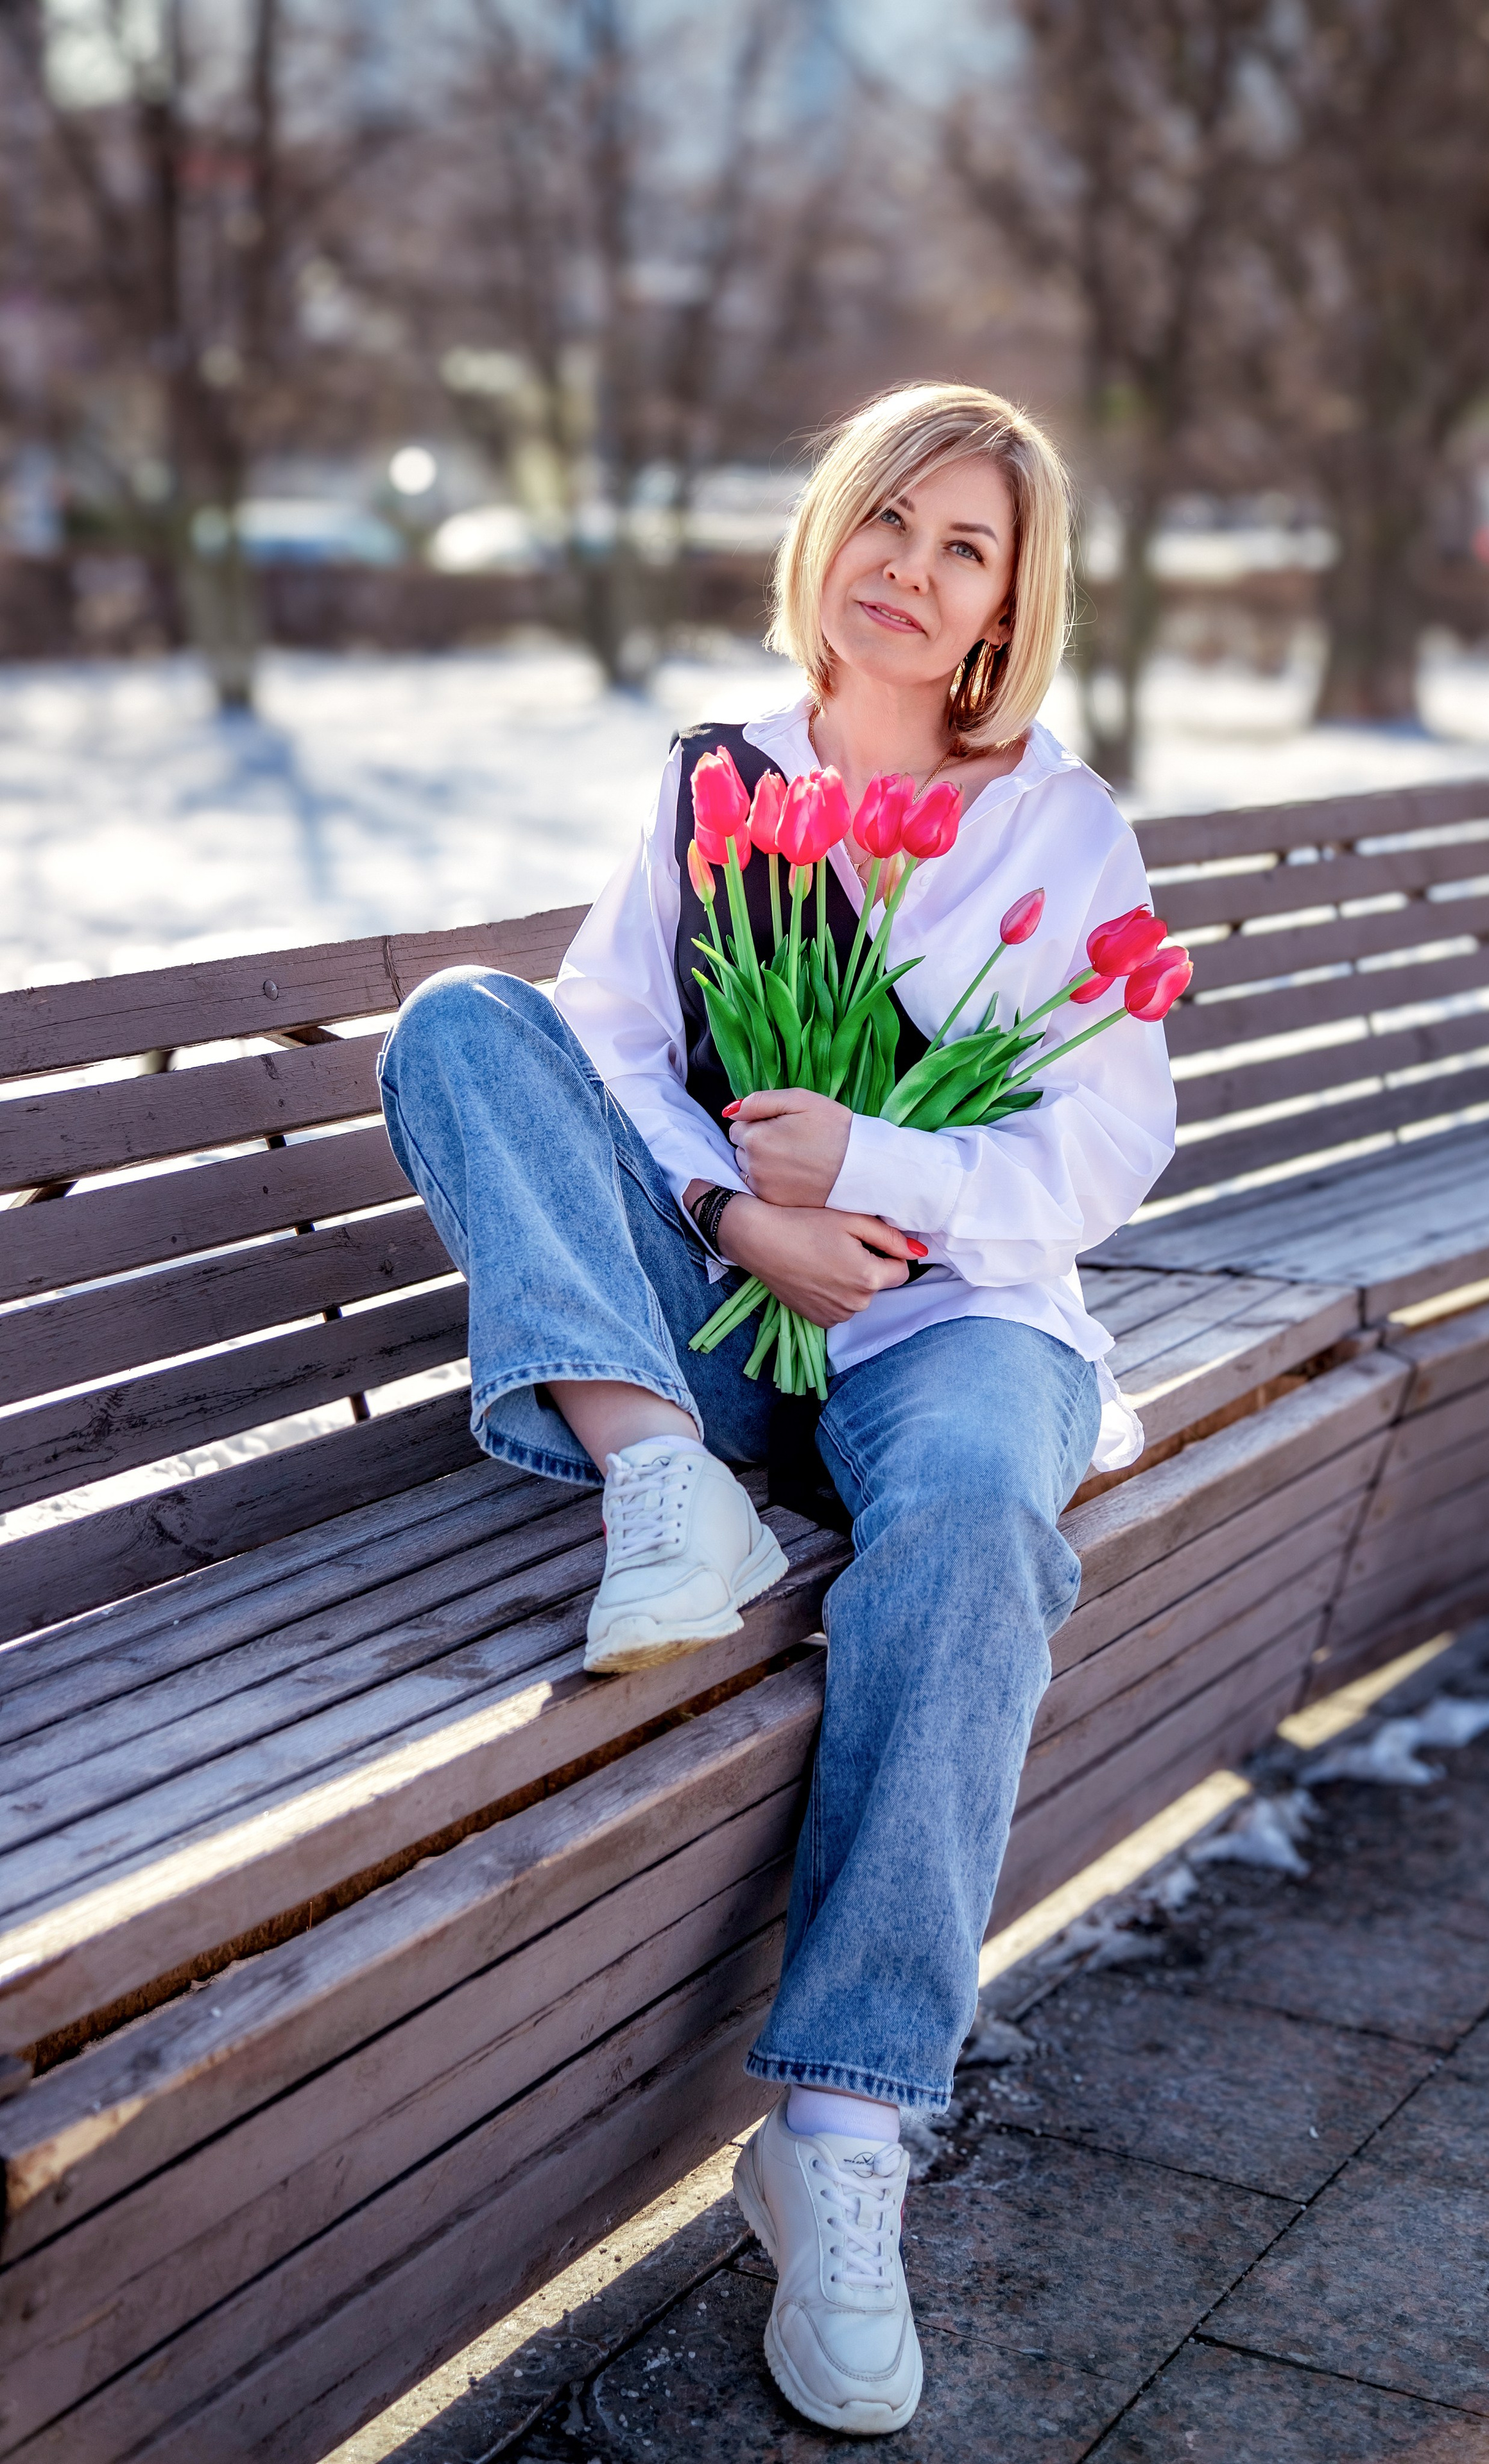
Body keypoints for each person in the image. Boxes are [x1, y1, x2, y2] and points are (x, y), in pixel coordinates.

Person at [376, 381, 1175, 2435]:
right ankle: (665, 1483)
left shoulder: (1051, 828)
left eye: (966, 546)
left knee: (984, 1521)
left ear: (1008, 606)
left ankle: (839, 2136)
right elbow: (613, 1051)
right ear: (826, 539)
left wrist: (872, 1191)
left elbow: (1106, 1147)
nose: (913, 570)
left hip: (953, 1319)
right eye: (888, 522)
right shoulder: (708, 786)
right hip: (733, 1308)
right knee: (468, 1027)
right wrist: (741, 1218)